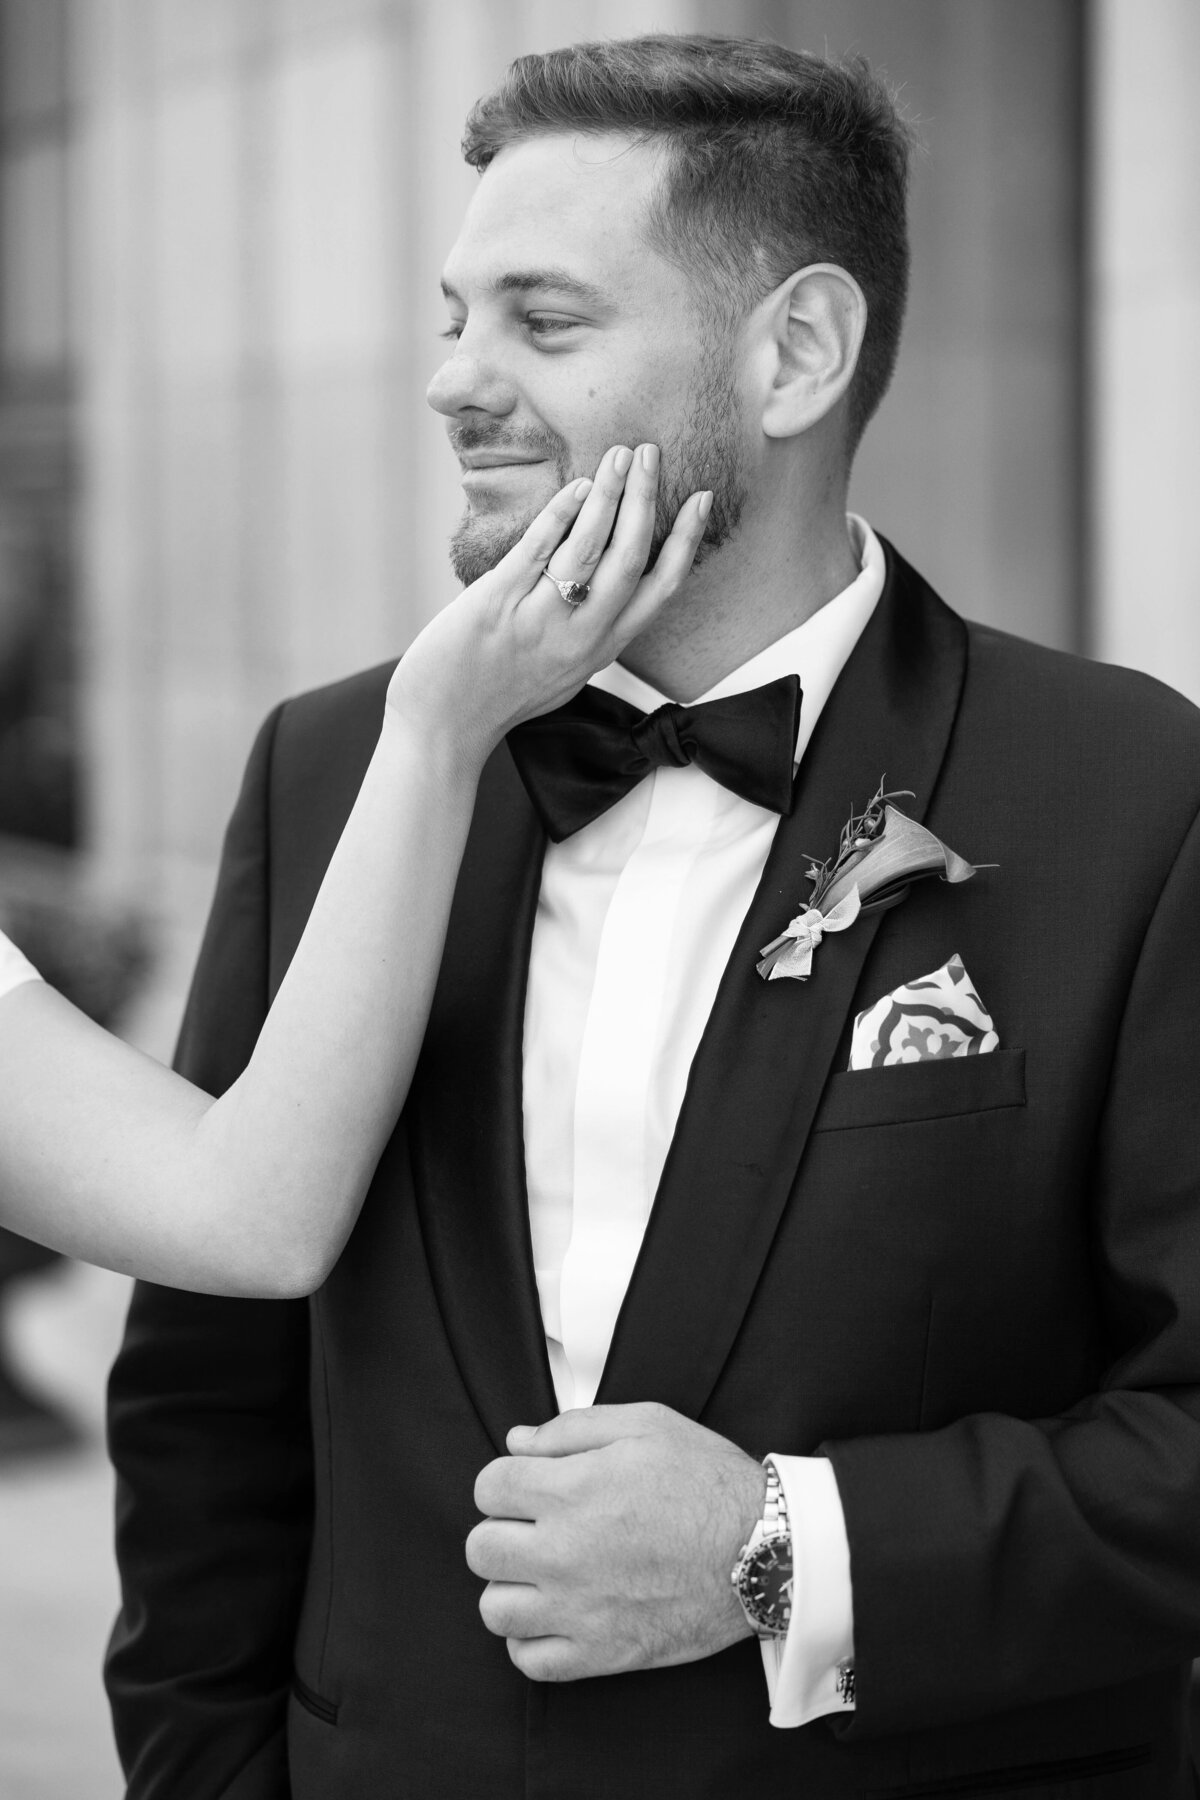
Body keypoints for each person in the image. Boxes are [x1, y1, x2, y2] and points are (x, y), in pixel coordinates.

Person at [105, 33, 1200, 1800]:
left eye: (543, 323)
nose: (456, 380)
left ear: (797, 355)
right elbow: (207, 1417)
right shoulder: (338, 773)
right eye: (453, 316)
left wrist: (787, 1546)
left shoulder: (1132, 793)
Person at [0, 460, 705, 1296]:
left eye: (548, 322)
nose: (453, 386)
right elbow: (251, 1230)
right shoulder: (309, 755)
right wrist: (434, 733)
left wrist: (434, 733)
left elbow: (243, 1211)